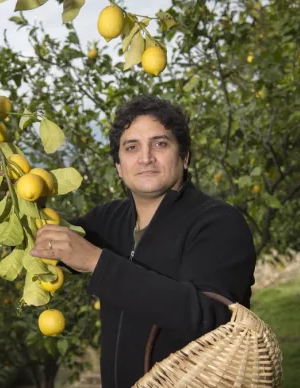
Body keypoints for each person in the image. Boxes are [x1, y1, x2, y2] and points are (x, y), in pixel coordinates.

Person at [29, 95, 257, 388]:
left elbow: (211, 319)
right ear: (119, 167)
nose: (146, 157)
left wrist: (97, 262)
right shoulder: (108, 219)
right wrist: (6, 202)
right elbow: (46, 242)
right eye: (132, 147)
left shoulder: (219, 223)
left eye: (160, 143)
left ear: (184, 157)